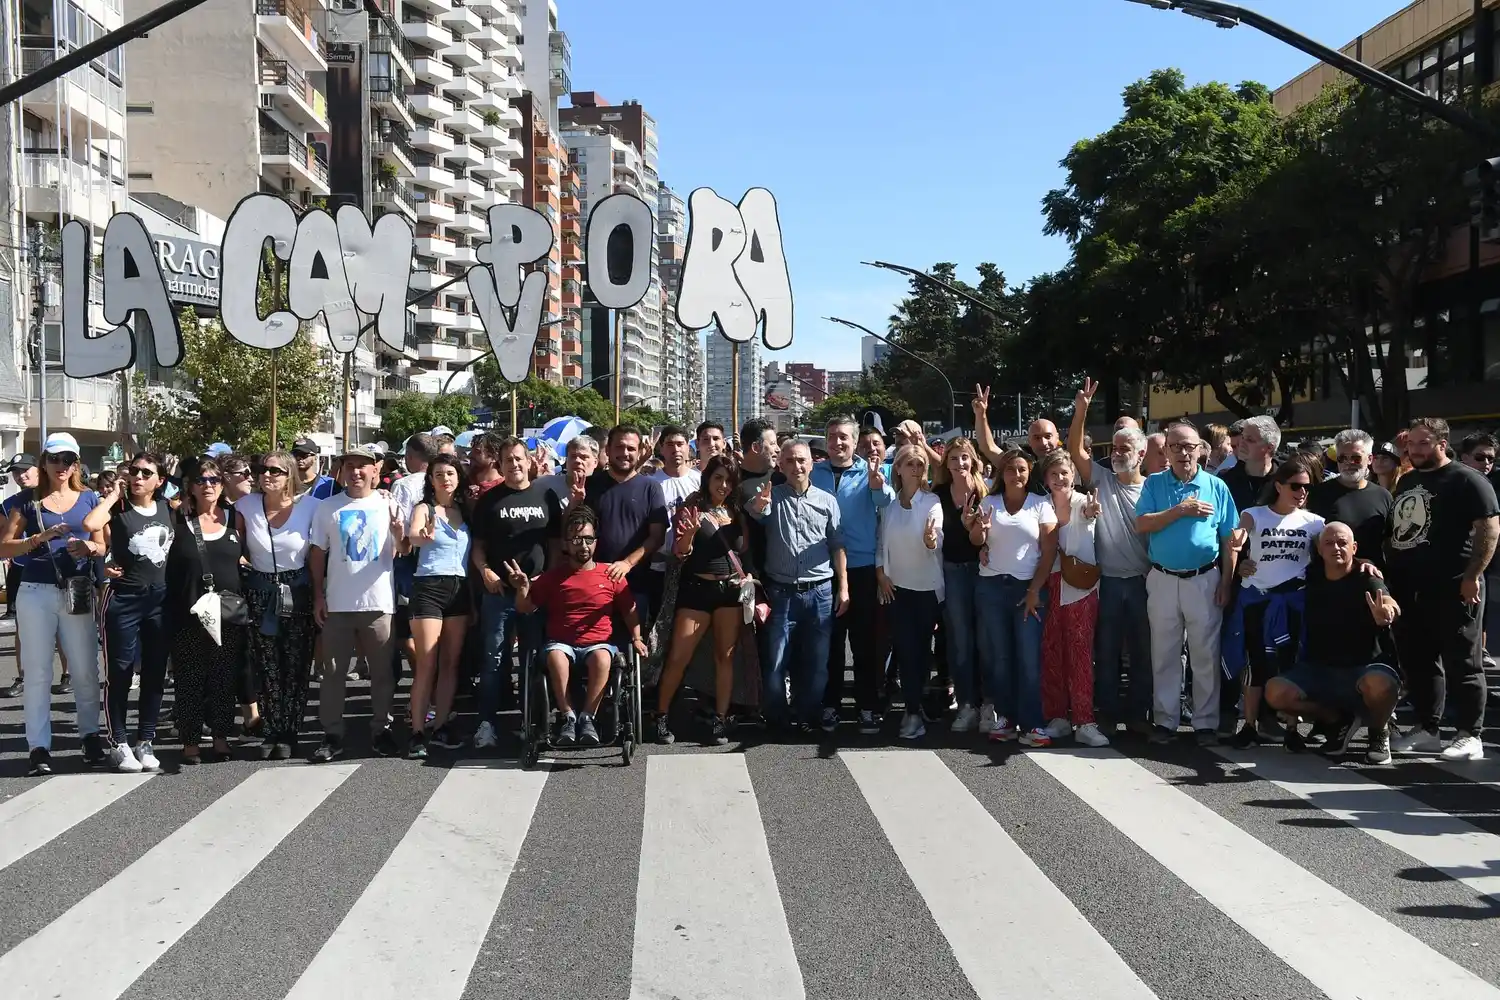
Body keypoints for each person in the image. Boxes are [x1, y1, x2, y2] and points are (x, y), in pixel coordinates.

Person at [1386, 417, 1499, 760]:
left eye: (1423, 443)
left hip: (1454, 586)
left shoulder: (1468, 480)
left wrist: (1471, 576)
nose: (1414, 450)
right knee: (1419, 661)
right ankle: (1428, 728)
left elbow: (1489, 530)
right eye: (1411, 444)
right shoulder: (1407, 481)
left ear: (1441, 443)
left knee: (1462, 661)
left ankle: (1470, 734)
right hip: (1411, 588)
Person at [0, 433, 107, 775]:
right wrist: (37, 539)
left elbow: (102, 545)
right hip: (35, 591)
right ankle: (39, 747)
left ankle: (90, 735)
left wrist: (90, 549)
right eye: (54, 459)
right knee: (37, 672)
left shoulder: (90, 498)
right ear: (43, 461)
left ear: (76, 464)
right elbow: (4, 548)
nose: (61, 466)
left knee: (86, 669)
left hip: (76, 590)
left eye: (68, 460)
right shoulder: (25, 501)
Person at [1134, 421, 1239, 746]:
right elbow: (1142, 523)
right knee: (1163, 653)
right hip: (1163, 578)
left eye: (1189, 446)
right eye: (1176, 446)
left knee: (1205, 653)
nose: (1183, 452)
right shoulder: (1154, 484)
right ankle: (1165, 721)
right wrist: (1180, 511)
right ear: (1165, 450)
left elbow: (1229, 539)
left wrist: (1226, 581)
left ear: (1200, 450)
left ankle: (1205, 723)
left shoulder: (1216, 486)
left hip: (1204, 578)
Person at [507, 504, 647, 746]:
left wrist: (636, 637)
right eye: (576, 539)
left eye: (587, 539)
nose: (582, 545)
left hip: (599, 643)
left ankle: (588, 718)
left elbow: (629, 610)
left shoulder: (610, 573)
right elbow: (525, 607)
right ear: (566, 544)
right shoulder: (553, 577)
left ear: (595, 542)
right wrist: (521, 589)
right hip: (561, 642)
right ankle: (568, 717)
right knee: (556, 657)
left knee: (603, 658)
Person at [1264, 523, 1402, 765]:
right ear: (1319, 548)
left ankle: (1379, 732)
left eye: (1342, 543)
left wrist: (1388, 612)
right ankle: (1336, 720)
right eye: (1329, 543)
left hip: (1365, 668)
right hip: (1319, 669)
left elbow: (1388, 601)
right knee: (1275, 692)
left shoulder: (1366, 576)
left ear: (1354, 547)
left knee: (1381, 684)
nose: (1336, 548)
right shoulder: (1312, 574)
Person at [308, 445, 404, 762]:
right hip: (338, 602)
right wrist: (319, 595)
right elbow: (318, 552)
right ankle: (332, 733)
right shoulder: (327, 508)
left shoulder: (389, 505)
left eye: (363, 466)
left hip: (379, 603)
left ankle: (382, 729)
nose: (356, 472)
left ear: (376, 471)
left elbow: (402, 549)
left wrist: (400, 533)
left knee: (381, 673)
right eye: (350, 465)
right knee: (333, 673)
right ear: (342, 471)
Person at [1067, 379, 1152, 735]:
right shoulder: (1100, 478)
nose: (1117, 451)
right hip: (1108, 583)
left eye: (1125, 447)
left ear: (1142, 454)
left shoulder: (1154, 488)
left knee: (1143, 655)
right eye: (1115, 446)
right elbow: (1074, 449)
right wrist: (1082, 409)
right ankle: (1106, 713)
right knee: (1107, 651)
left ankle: (1138, 716)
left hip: (1145, 584)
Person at [748, 440, 847, 731]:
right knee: (777, 664)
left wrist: (844, 588)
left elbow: (837, 545)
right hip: (782, 593)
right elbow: (756, 512)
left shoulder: (827, 500)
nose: (796, 467)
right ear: (781, 465)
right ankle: (778, 718)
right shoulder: (771, 496)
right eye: (789, 461)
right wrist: (758, 505)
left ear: (812, 463)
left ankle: (808, 715)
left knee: (817, 665)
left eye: (801, 460)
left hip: (820, 591)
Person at [86, 453, 175, 772]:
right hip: (123, 599)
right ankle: (119, 742)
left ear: (159, 481)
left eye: (145, 473)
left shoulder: (168, 509)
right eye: (134, 471)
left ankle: (145, 740)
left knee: (154, 673)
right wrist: (112, 494)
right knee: (120, 673)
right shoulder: (120, 508)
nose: (138, 477)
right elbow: (91, 524)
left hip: (159, 600)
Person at [469, 436, 559, 749]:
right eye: (508, 460)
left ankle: (529, 721)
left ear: (530, 461)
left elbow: (557, 544)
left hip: (534, 592)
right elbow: (477, 548)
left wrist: (547, 579)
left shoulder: (545, 495)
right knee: (493, 660)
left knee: (534, 658)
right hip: (498, 593)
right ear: (501, 464)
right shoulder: (489, 500)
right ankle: (486, 724)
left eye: (519, 458)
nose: (514, 464)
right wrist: (485, 571)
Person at [1231, 460, 1325, 748]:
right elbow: (1241, 533)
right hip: (1257, 599)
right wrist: (1238, 549)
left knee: (1290, 664)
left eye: (1306, 487)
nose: (1301, 492)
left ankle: (1292, 729)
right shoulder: (1254, 514)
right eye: (1295, 486)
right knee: (1255, 664)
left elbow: (1333, 554)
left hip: (1294, 602)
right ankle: (1248, 725)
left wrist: (1364, 565)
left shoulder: (1314, 522)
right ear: (1279, 486)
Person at [654, 455, 746, 746]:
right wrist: (690, 534)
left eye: (729, 479)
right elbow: (680, 552)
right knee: (678, 657)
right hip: (697, 591)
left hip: (730, 592)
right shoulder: (693, 507)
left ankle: (720, 719)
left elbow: (745, 552)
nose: (723, 484)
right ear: (707, 478)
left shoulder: (737, 509)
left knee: (726, 657)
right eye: (718, 478)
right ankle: (661, 716)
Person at [968, 448, 1057, 746]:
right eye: (1010, 469)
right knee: (1000, 657)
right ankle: (1005, 718)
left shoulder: (1041, 505)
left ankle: (1033, 723)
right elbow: (976, 541)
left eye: (1021, 469)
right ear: (1001, 473)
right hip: (991, 587)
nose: (1016, 474)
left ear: (1029, 472)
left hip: (1027, 590)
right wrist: (980, 531)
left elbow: (1049, 552)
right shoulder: (989, 502)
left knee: (1029, 658)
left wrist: (1034, 590)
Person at [236, 449, 320, 760]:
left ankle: (290, 731)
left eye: (274, 470)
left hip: (298, 591)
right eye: (262, 470)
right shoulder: (245, 506)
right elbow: (233, 543)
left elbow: (318, 553)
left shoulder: (311, 507)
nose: (266, 475)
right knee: (267, 664)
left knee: (296, 666)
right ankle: (271, 728)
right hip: (260, 592)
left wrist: (320, 595)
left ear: (289, 475)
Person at [812, 416, 893, 734]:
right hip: (822, 568)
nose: (837, 442)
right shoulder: (813, 472)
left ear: (855, 441)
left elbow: (885, 502)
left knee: (864, 644)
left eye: (844, 437)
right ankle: (830, 704)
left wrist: (876, 485)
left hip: (861, 568)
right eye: (832, 437)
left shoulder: (871, 472)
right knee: (830, 642)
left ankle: (868, 706)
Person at [164, 460, 241, 764]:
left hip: (228, 611)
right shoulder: (177, 518)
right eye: (201, 480)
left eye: (214, 480)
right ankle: (191, 740)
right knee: (190, 678)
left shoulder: (235, 516)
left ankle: (221, 737)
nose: (208, 485)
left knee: (223, 677)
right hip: (187, 610)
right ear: (191, 487)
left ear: (222, 484)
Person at [1036, 449, 1108, 747]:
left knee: (1080, 656)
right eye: (1053, 474)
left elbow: (1090, 517)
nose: (1060, 478)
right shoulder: (1040, 506)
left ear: (1074, 475)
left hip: (1081, 588)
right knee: (1052, 652)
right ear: (1045, 479)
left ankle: (1084, 720)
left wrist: (1092, 513)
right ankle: (1057, 717)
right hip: (1049, 585)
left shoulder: (1083, 503)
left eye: (1064, 472)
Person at [405, 453, 472, 758]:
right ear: (430, 480)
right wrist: (423, 534)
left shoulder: (465, 511)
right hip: (429, 587)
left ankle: (442, 724)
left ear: (458, 478)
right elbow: (414, 537)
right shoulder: (424, 508)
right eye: (438, 474)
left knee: (450, 663)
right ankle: (418, 731)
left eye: (450, 473)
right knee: (427, 663)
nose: (445, 478)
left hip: (459, 589)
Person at [876, 444, 944, 740]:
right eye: (910, 464)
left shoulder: (932, 503)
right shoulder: (889, 507)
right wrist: (881, 574)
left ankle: (915, 708)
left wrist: (930, 540)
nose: (916, 469)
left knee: (919, 652)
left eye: (920, 464)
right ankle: (913, 710)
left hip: (926, 590)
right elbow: (881, 545)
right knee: (906, 653)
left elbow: (936, 539)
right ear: (898, 469)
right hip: (897, 590)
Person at [932, 438, 988, 733]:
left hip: (984, 572)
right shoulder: (937, 494)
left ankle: (989, 703)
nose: (960, 464)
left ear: (974, 460)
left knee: (987, 639)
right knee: (960, 642)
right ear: (946, 464)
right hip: (951, 572)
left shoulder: (986, 491)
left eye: (964, 457)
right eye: (954, 459)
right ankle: (967, 704)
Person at [585, 426, 667, 626]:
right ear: (608, 451)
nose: (625, 453)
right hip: (594, 582)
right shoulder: (589, 485)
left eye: (631, 448)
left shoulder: (651, 488)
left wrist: (627, 563)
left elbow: (657, 537)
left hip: (636, 584)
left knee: (633, 648)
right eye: (619, 447)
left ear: (640, 452)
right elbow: (574, 530)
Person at [1308, 429, 1392, 565]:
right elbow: (1312, 541)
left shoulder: (1383, 496)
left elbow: (1389, 543)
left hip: (1372, 579)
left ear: (1369, 459)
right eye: (1342, 458)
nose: (1348, 463)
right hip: (1330, 580)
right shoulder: (1319, 494)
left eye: (1356, 458)